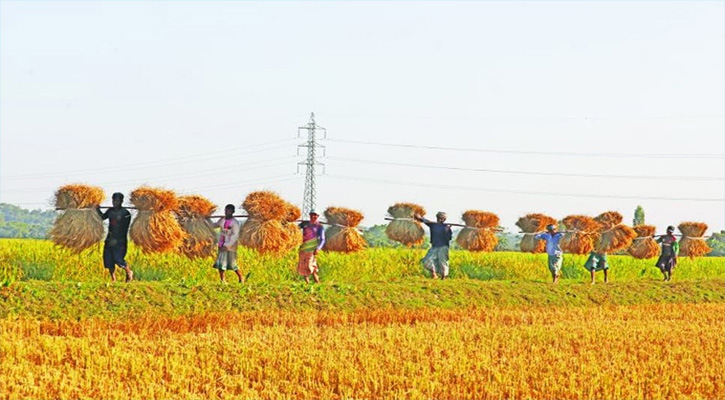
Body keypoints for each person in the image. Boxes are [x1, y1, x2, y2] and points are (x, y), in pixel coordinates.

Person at [97, 192, 134, 283]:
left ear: (121, 201)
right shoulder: (110, 211)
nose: (115, 202)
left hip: (120, 240)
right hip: (110, 238)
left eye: (117, 200)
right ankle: (113, 279)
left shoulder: (125, 213)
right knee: (108, 259)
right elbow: (102, 217)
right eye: (114, 200)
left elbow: (125, 226)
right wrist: (97, 210)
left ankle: (129, 271)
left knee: (118, 259)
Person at [414, 212, 453, 280]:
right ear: (437, 218)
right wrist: (420, 218)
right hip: (434, 246)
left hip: (443, 246)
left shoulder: (446, 227)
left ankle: (444, 277)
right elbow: (425, 221)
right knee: (426, 260)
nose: (440, 220)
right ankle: (434, 273)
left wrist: (447, 231)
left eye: (442, 218)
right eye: (439, 218)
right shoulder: (433, 225)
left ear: (444, 219)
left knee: (443, 261)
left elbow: (449, 238)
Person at [213, 204, 244, 283]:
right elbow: (215, 225)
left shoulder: (235, 222)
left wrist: (227, 246)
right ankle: (222, 280)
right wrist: (204, 220)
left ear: (233, 212)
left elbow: (235, 235)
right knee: (221, 263)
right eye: (226, 210)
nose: (227, 212)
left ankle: (241, 277)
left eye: (229, 211)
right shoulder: (222, 220)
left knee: (232, 263)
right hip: (221, 244)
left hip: (230, 246)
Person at [298, 210, 325, 284]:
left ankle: (317, 282)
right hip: (303, 248)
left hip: (312, 248)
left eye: (315, 215)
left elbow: (322, 239)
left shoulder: (319, 226)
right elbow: (296, 229)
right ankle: (308, 284)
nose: (313, 216)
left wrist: (318, 248)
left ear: (318, 216)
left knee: (310, 265)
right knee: (303, 265)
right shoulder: (304, 224)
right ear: (309, 216)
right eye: (312, 215)